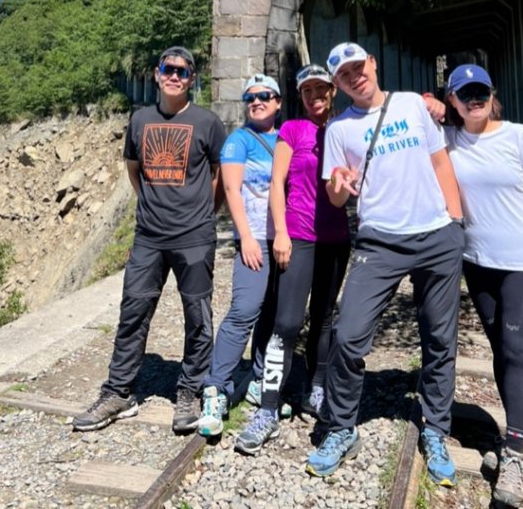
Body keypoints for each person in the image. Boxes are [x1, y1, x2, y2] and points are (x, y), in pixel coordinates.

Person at [306, 42, 464, 485]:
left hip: (436, 236)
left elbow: (440, 162)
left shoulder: (412, 105)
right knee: (348, 334)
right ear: (338, 85)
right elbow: (334, 195)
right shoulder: (339, 129)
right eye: (345, 74)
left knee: (439, 339)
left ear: (373, 64)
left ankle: (436, 429)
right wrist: (339, 184)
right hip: (379, 242)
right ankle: (342, 428)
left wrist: (455, 223)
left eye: (359, 66)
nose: (355, 76)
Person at [72, 45, 226, 436]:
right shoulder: (140, 120)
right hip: (149, 237)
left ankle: (190, 391)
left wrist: (203, 215)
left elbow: (218, 176)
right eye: (168, 69)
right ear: (157, 74)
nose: (174, 76)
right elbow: (133, 170)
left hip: (194, 236)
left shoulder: (208, 123)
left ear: (192, 79)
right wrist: (151, 207)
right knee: (133, 312)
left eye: (182, 71)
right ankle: (118, 392)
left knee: (198, 317)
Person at [444, 63, 523, 507]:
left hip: (521, 263)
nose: (474, 99)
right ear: (453, 100)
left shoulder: (517, 135)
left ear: (492, 96)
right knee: (501, 348)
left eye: (481, 92)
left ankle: (514, 454)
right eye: (465, 94)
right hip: (477, 263)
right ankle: (517, 427)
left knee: (516, 349)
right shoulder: (448, 139)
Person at [234, 64, 351, 454]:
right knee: (286, 322)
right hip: (298, 235)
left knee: (324, 317)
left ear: (333, 91)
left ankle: (315, 388)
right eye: (307, 91)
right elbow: (276, 184)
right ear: (300, 97)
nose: (315, 96)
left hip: (336, 238)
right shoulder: (293, 130)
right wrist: (281, 232)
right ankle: (268, 408)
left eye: (321, 89)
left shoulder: (344, 127)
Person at [197, 73, 283, 438]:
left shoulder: (286, 138)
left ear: (278, 102)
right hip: (256, 239)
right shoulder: (238, 141)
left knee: (273, 313)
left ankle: (260, 379)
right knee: (244, 310)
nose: (257, 102)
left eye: (264, 96)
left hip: (286, 238)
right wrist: (245, 237)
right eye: (250, 98)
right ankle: (216, 388)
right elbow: (231, 190)